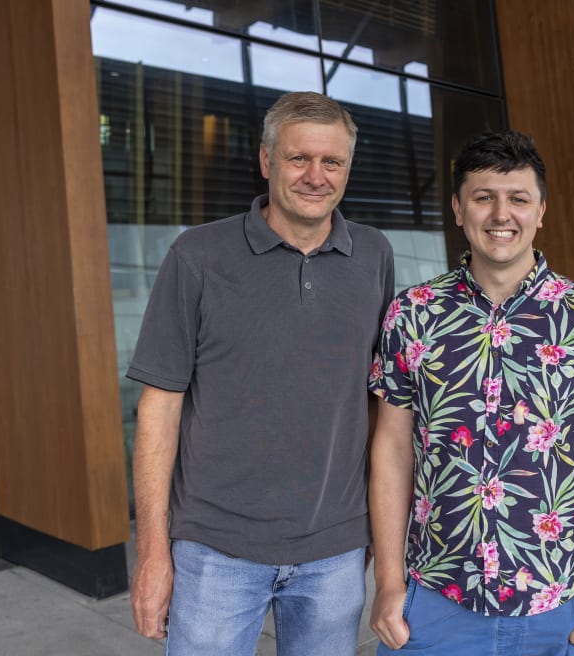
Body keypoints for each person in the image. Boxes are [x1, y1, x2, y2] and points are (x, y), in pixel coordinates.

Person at [128, 91, 394, 655]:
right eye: (299, 158)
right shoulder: (197, 256)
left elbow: (378, 405)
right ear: (267, 160)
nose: (316, 176)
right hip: (213, 551)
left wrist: (374, 533)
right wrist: (153, 552)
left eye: (333, 162)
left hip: (335, 552)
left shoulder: (374, 256)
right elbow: (159, 409)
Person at [367, 130, 574, 655]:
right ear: (457, 208)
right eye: (483, 197)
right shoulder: (412, 314)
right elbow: (392, 449)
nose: (501, 214)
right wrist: (387, 582)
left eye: (518, 199)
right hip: (435, 600)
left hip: (562, 603)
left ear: (541, 211)